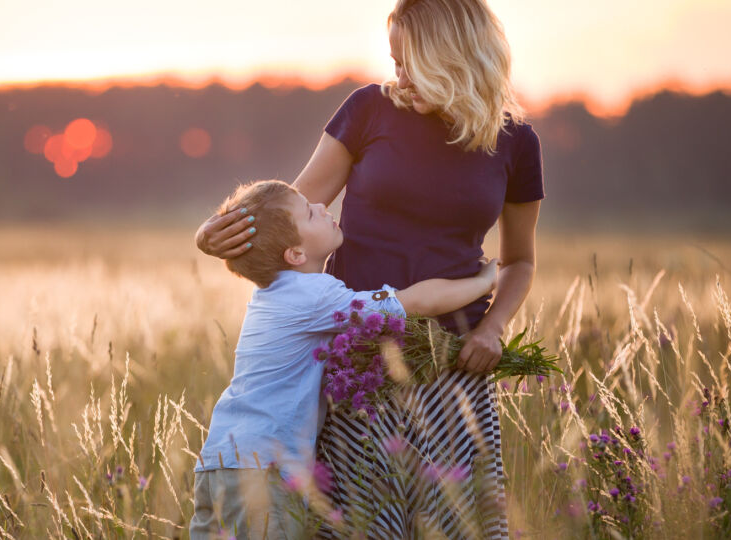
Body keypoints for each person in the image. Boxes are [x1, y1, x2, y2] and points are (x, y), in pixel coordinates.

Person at [195, 0, 542, 536]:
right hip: (358, 370)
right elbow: (290, 216)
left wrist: (494, 328)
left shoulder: (517, 143)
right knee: (360, 529)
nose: (397, 78)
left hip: (455, 370)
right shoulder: (368, 111)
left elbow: (518, 261)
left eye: (410, 63)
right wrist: (211, 236)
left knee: (461, 528)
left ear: (455, 58)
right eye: (393, 61)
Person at [190, 180, 498, 539]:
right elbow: (416, 302)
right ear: (295, 255)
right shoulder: (315, 295)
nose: (322, 208)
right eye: (309, 211)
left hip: (218, 461)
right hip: (263, 469)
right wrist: (484, 282)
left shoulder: (270, 296)